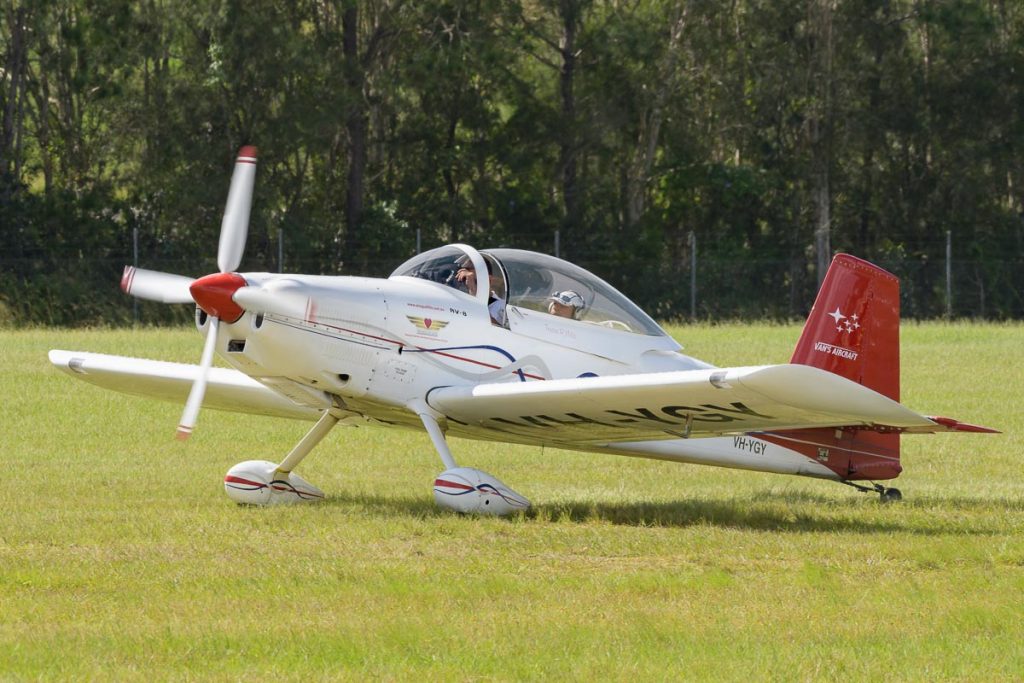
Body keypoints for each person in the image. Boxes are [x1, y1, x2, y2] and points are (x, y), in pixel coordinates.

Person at [454, 256, 507, 326]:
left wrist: (473, 293)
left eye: (471, 280)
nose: (466, 284)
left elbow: (496, 329)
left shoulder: (501, 306)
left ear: (488, 280)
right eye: (464, 279)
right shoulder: (458, 303)